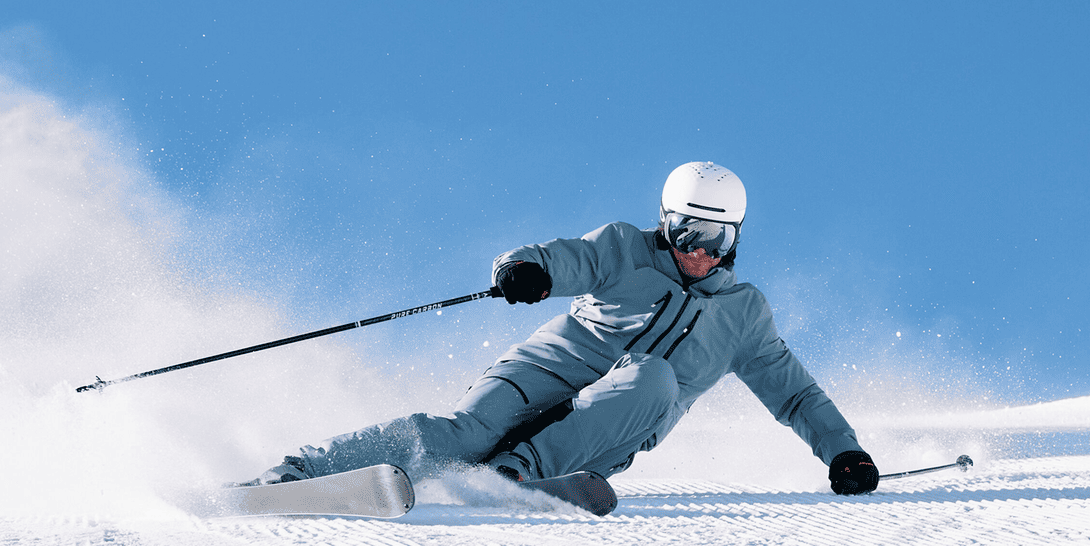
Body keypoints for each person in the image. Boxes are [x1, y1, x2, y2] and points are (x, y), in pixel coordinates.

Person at [248, 161, 880, 495]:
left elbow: (797, 396)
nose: (697, 250)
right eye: (686, 232)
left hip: (608, 428)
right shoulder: (624, 248)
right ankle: (299, 473)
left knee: (655, 378)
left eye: (715, 238)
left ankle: (518, 475)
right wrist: (523, 270)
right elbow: (561, 258)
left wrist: (844, 451)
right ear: (665, 223)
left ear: (735, 239)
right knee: (462, 435)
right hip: (543, 374)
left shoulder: (745, 314)